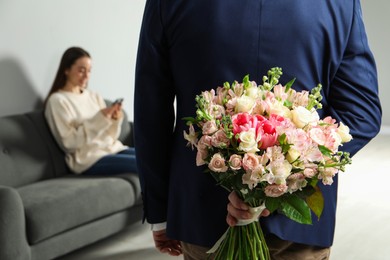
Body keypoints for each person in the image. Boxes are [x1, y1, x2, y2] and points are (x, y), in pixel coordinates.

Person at [134, 1, 382, 259]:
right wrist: (289, 171)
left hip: (202, 215)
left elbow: (150, 112)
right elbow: (361, 113)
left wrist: (160, 212)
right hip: (297, 226)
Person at [44, 46, 137, 176]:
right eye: (81, 71)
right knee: (147, 166)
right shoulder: (57, 101)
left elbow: (111, 137)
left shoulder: (94, 96)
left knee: (156, 158)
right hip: (89, 159)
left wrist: (115, 120)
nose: (86, 76)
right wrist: (100, 119)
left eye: (89, 71)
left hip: (113, 148)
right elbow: (69, 143)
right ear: (66, 69)